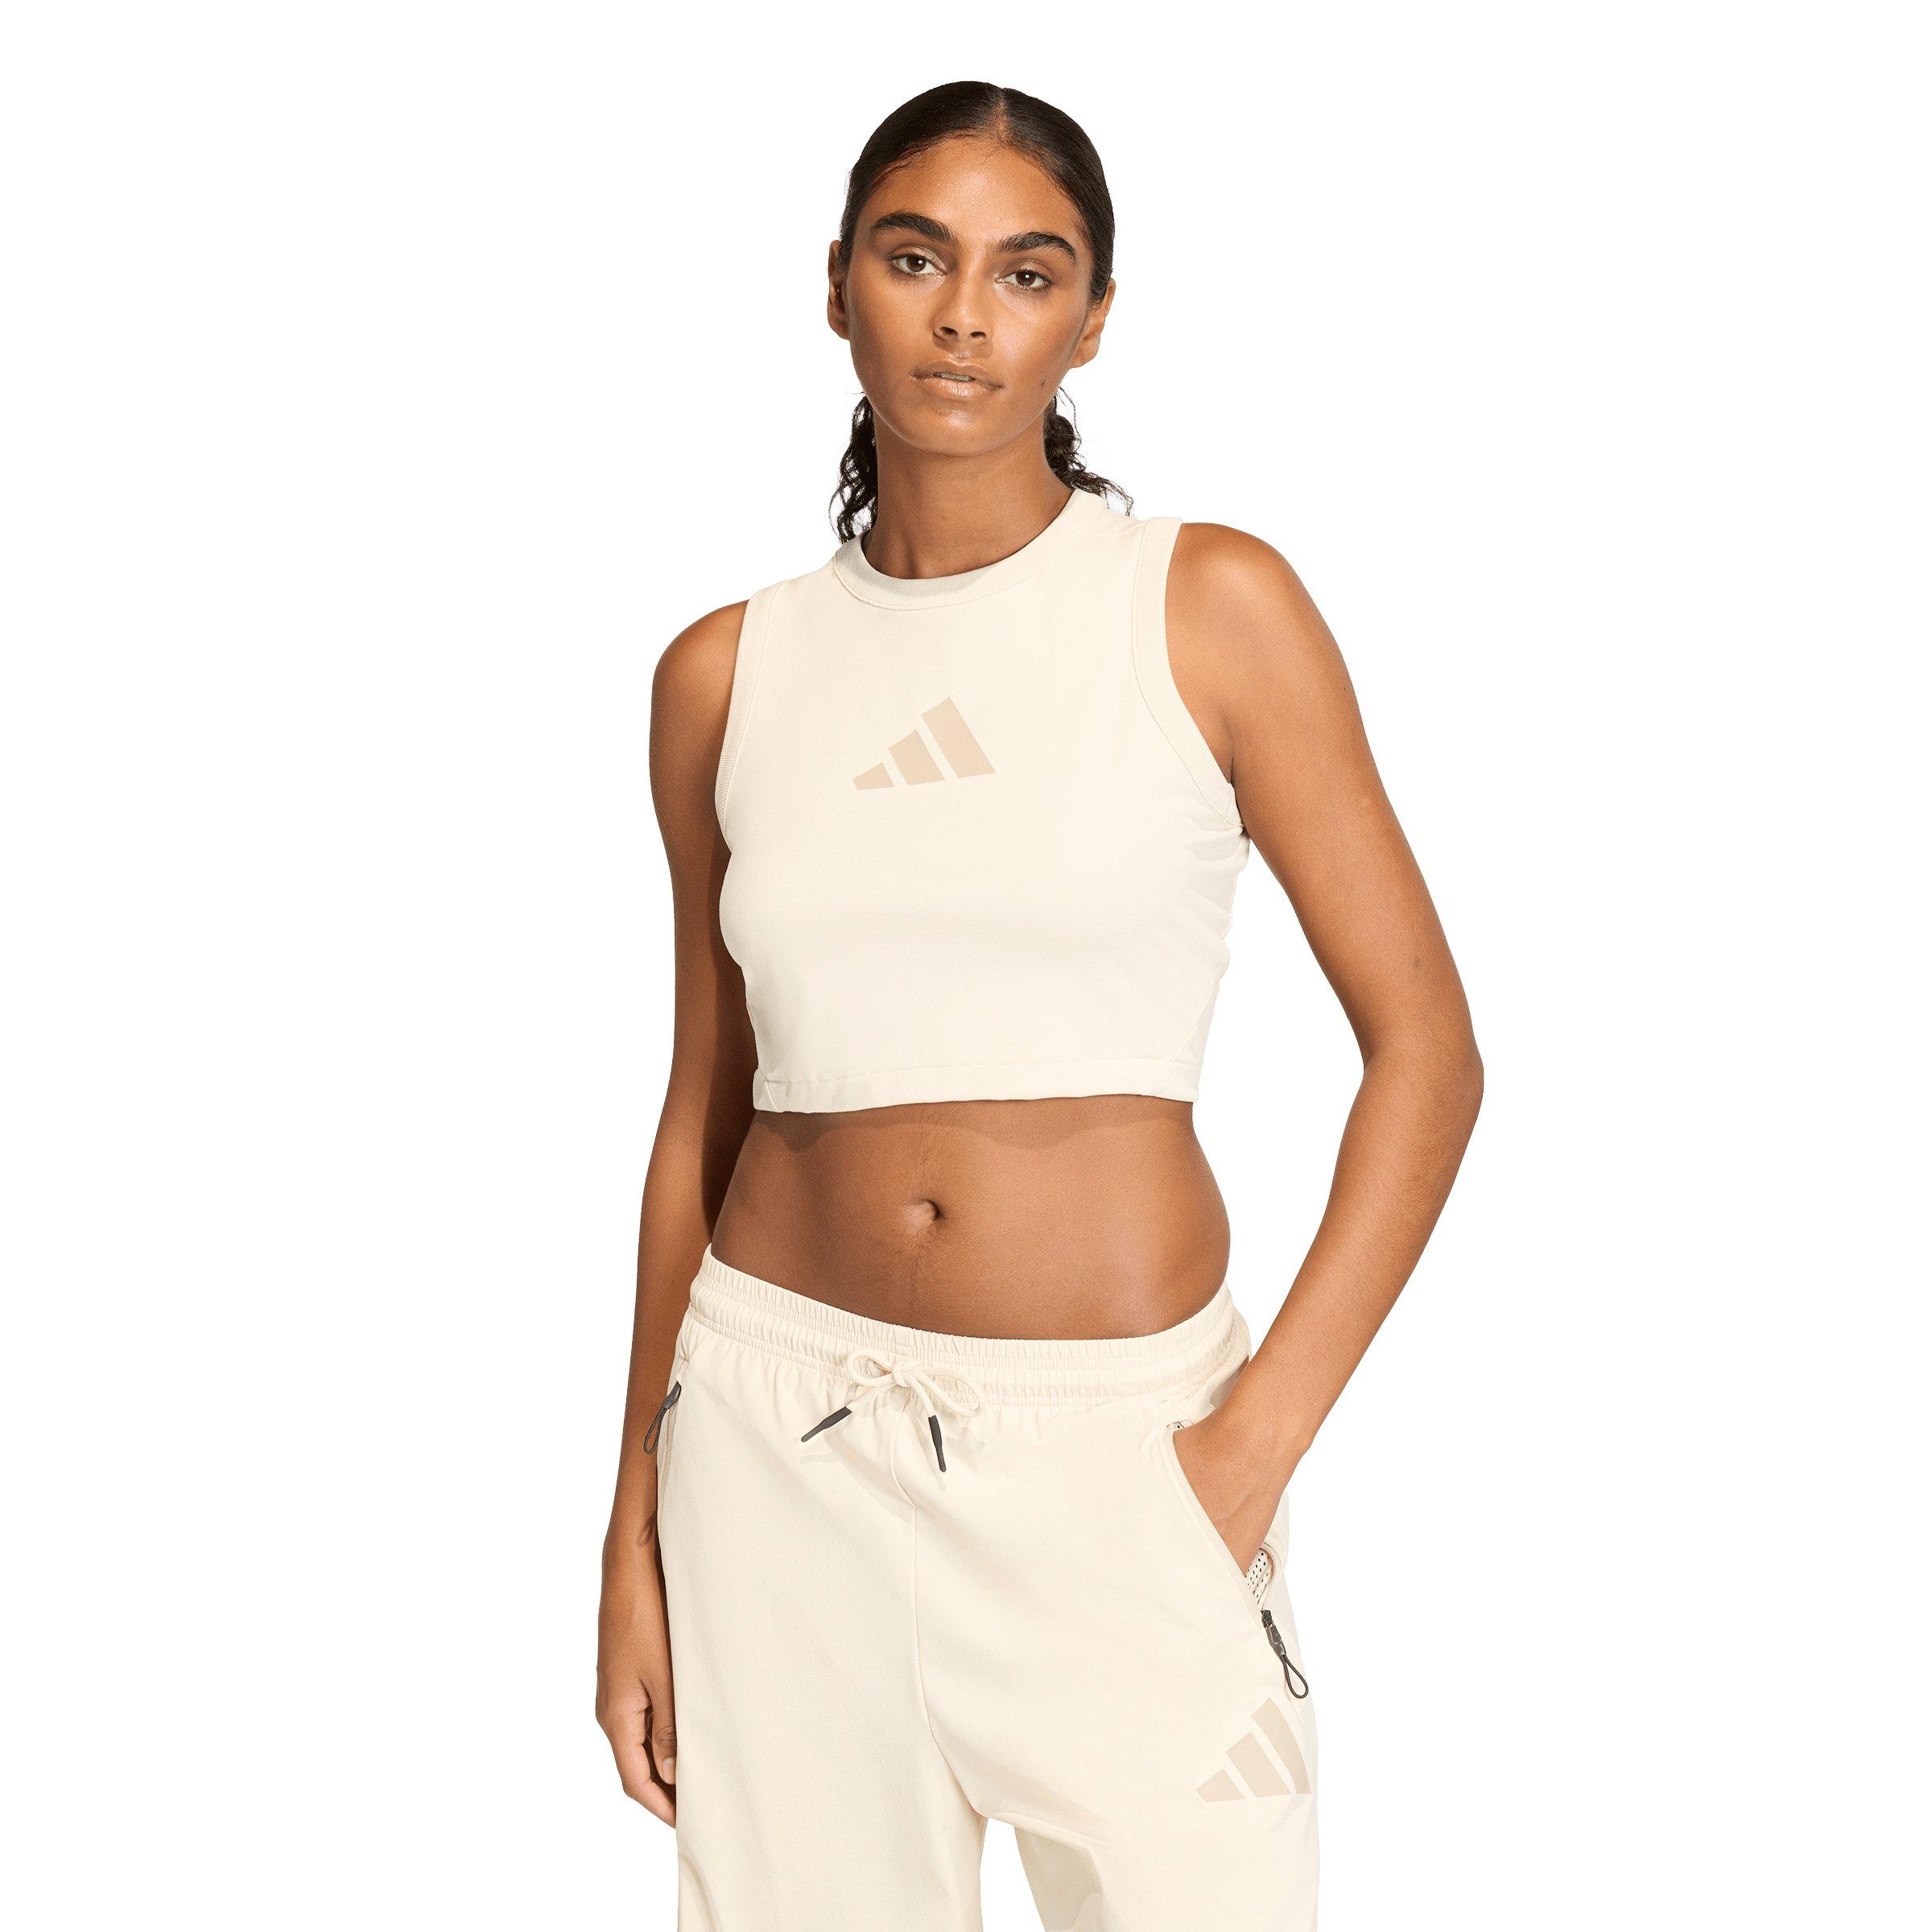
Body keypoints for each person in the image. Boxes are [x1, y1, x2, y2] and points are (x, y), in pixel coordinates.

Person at [597, 80, 1482, 1930]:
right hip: (775, 1456)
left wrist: (1250, 1447)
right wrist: (636, 1521)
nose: (964, 316)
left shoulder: (1209, 607)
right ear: (836, 288)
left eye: (1028, 272)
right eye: (915, 259)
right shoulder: (725, 676)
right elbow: (705, 1110)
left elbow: (1428, 1055)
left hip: (1124, 1463)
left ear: (1092, 320)